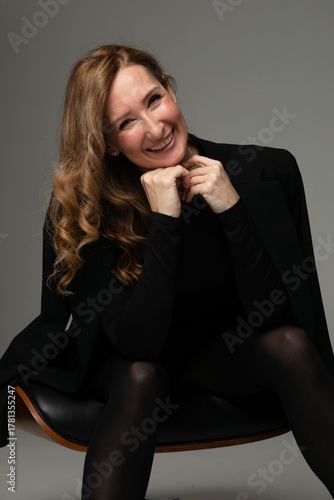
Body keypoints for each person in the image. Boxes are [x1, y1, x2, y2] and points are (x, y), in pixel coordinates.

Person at [1, 44, 334, 499]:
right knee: (143, 374)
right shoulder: (88, 208)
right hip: (128, 358)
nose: (155, 127)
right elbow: (139, 344)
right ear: (109, 143)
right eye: (126, 122)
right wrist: (164, 221)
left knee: (290, 345)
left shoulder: (264, 171)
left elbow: (276, 317)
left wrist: (231, 208)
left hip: (214, 358)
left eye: (154, 99)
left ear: (170, 90)